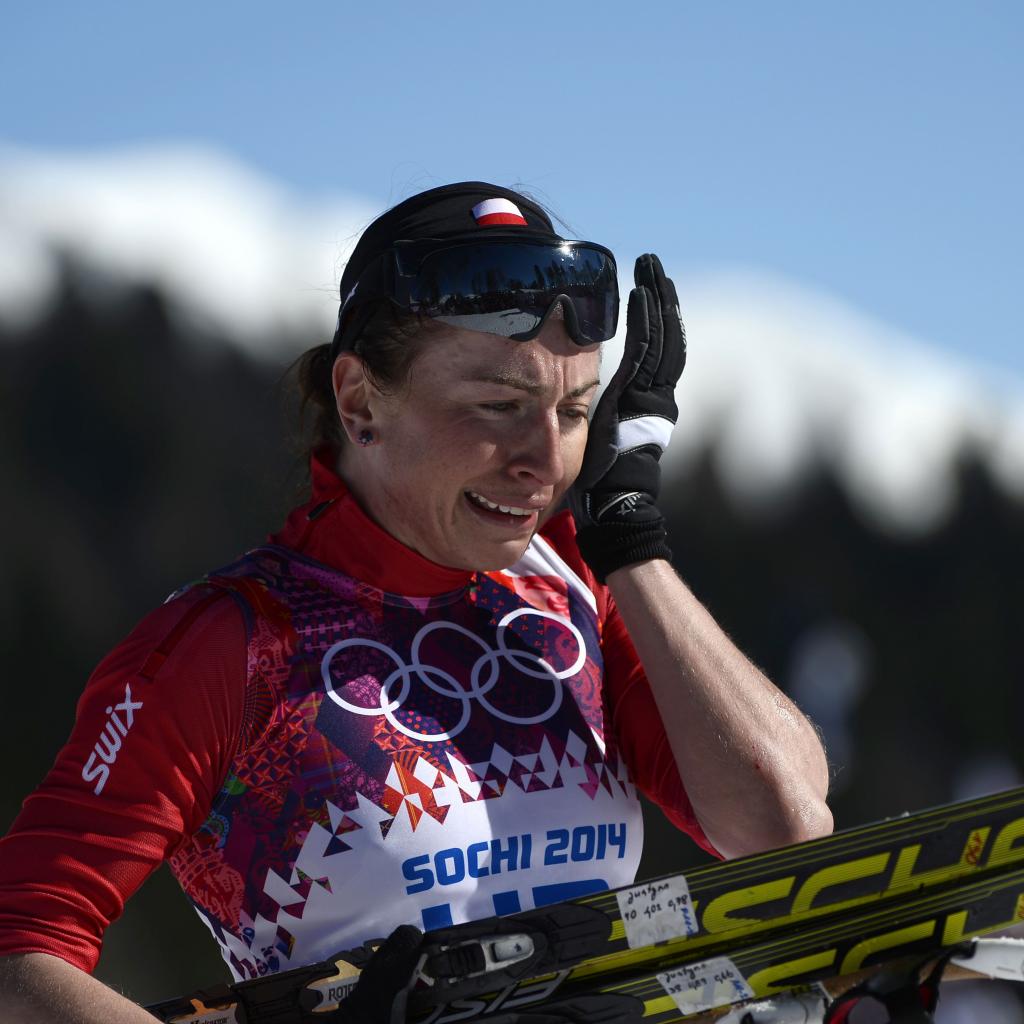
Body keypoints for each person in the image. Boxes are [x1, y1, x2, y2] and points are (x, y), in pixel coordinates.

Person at [0, 182, 832, 1023]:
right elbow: (16, 956)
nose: (546, 460)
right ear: (361, 402)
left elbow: (788, 833)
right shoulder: (236, 643)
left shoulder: (575, 591)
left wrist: (631, 539)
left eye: (574, 411)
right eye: (499, 406)